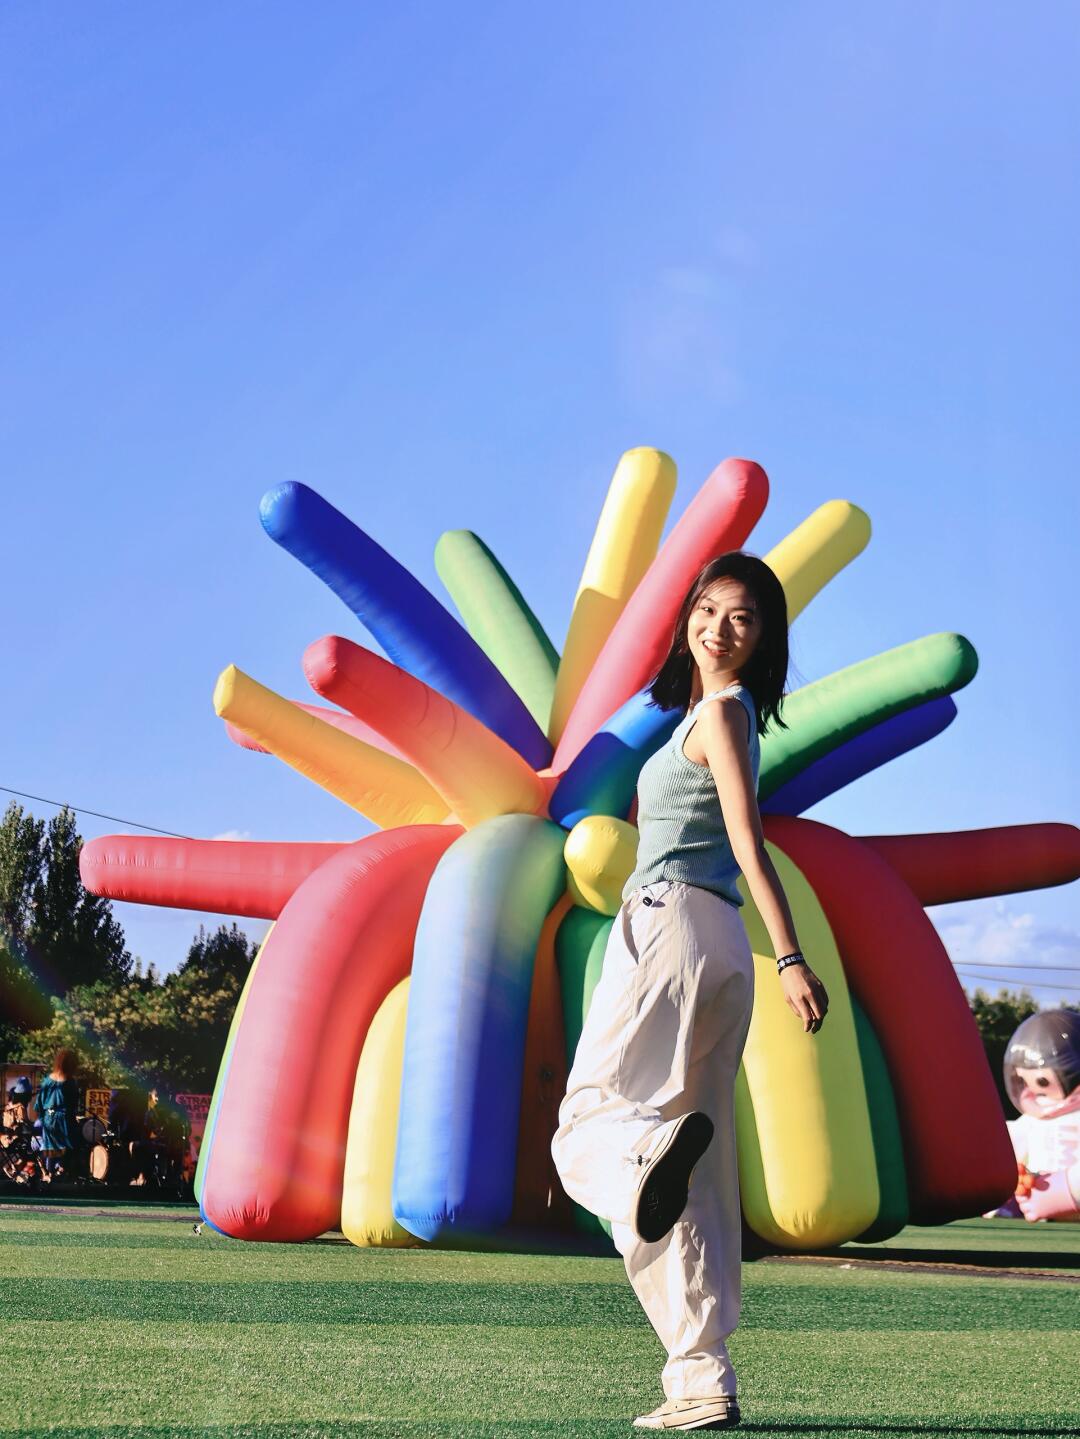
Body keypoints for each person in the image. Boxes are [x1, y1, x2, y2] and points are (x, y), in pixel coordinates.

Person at [551, 552, 829, 1432]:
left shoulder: (719, 713)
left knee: (586, 1127)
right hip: (720, 947)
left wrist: (793, 956)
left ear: (764, 637)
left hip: (672, 925)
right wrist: (776, 959)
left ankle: (643, 1154)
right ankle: (702, 1379)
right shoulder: (721, 714)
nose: (718, 628)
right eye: (707, 609)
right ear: (686, 619)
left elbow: (749, 840)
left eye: (741, 616)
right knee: (697, 1186)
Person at [35, 1049, 83, 1180]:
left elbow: (39, 1105)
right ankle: (64, 1171)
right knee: (71, 1145)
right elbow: (73, 1105)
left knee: (51, 1148)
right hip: (65, 1121)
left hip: (49, 1120)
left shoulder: (47, 1081)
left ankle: (49, 1174)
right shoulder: (70, 1082)